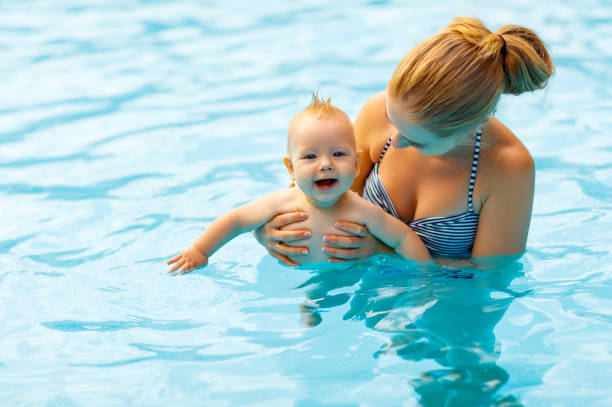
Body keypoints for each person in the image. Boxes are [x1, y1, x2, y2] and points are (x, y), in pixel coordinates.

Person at [255, 16, 554, 268]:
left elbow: (490, 277)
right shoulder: (376, 112)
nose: (394, 140)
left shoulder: (508, 167)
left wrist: (384, 253)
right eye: (392, 118)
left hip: (449, 308)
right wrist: (270, 230)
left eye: (416, 141)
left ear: (473, 126)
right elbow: (320, 197)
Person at [166, 95, 432, 274]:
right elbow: (235, 220)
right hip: (294, 272)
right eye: (310, 156)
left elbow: (403, 237)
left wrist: (424, 273)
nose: (325, 164)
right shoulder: (281, 203)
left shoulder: (362, 210)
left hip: (349, 274)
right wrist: (200, 250)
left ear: (356, 166)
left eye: (338, 154)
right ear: (291, 168)